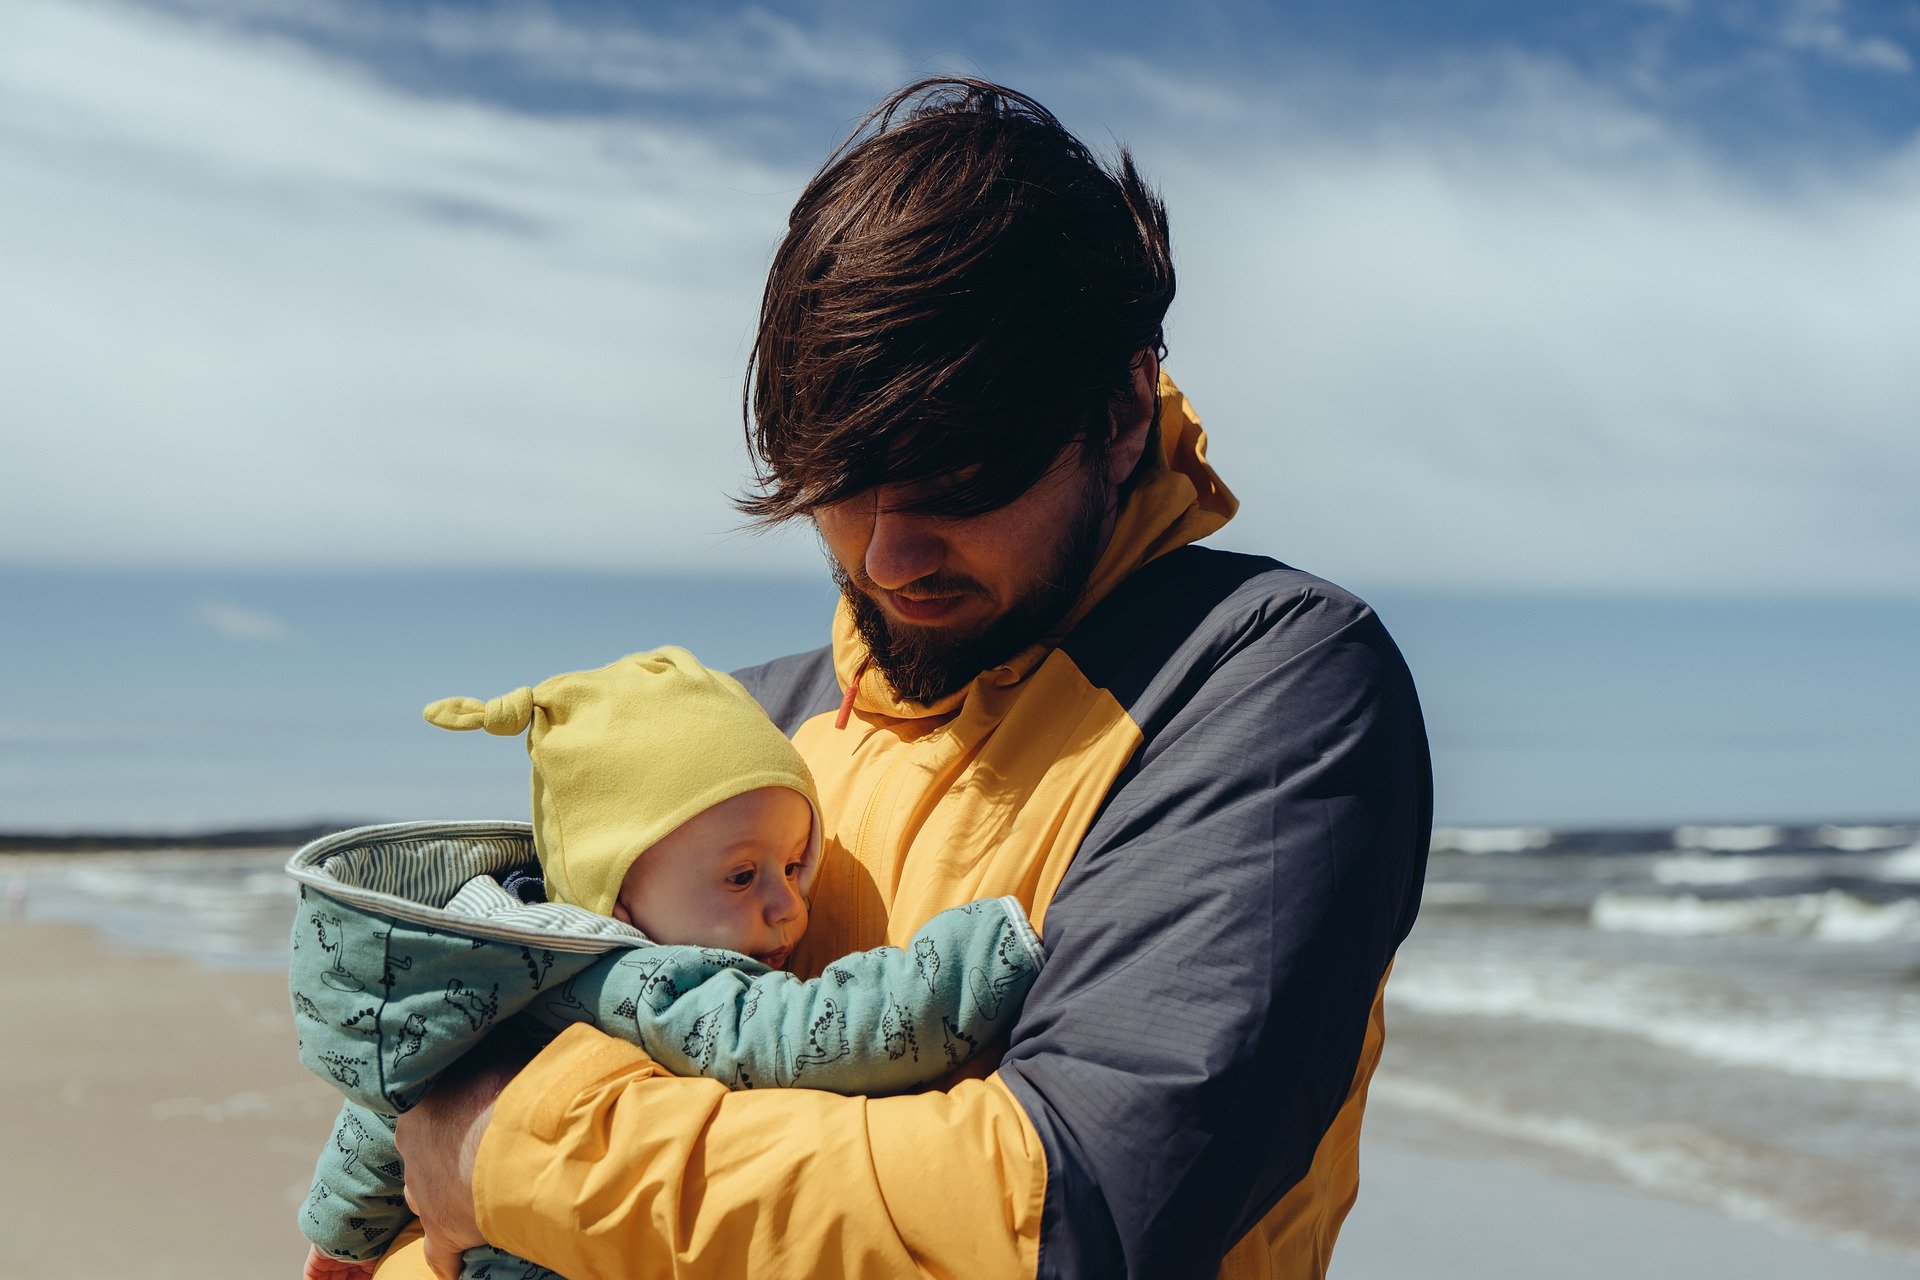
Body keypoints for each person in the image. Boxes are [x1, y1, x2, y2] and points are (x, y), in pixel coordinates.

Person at [387, 77, 1432, 1279]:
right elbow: (464, 1092)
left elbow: (1069, 1211)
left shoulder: (1265, 680)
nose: (886, 559)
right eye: (837, 485)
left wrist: (516, 1155)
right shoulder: (746, 734)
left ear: (1124, 409)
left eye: (960, 479)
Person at [288, 647, 1043, 1280]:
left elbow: (380, 1116)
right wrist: (983, 955)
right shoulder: (650, 983)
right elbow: (812, 1034)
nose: (789, 908)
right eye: (743, 877)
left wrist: (339, 1239)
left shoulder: (491, 967)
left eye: (794, 863)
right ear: (616, 898)